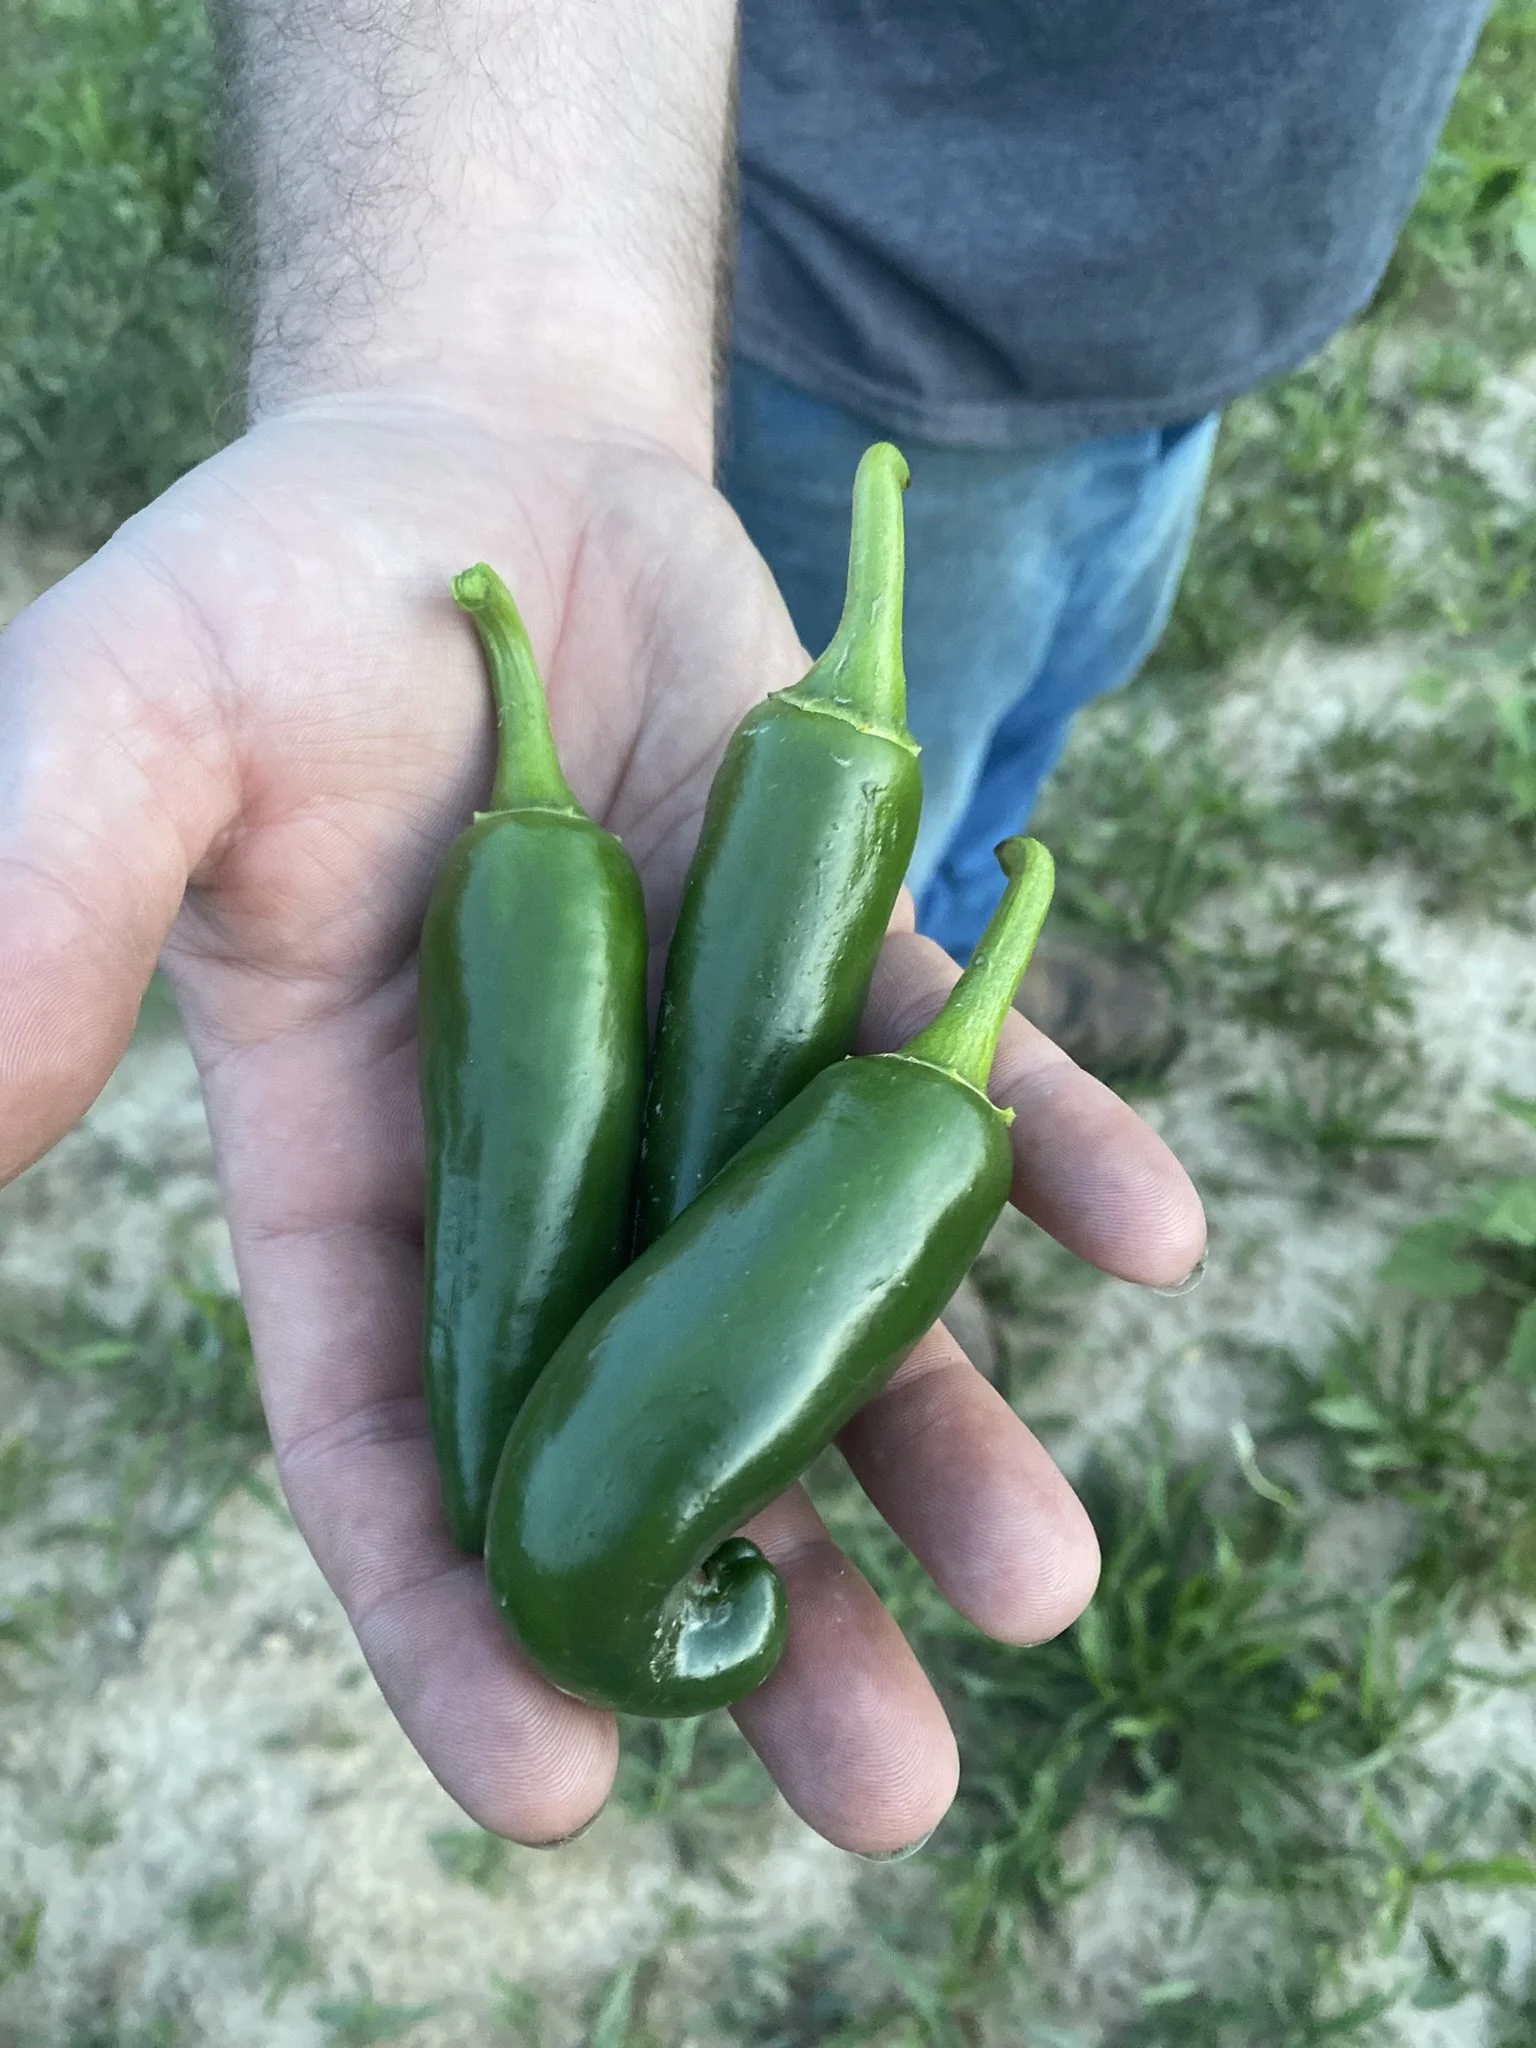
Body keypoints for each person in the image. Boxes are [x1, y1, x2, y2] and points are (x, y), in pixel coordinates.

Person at [0, 1, 1480, 1858]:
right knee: (901, 816)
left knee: (1011, 734)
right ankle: (951, 928)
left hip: (1217, 323)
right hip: (825, 314)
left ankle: (960, 905)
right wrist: (469, 367)